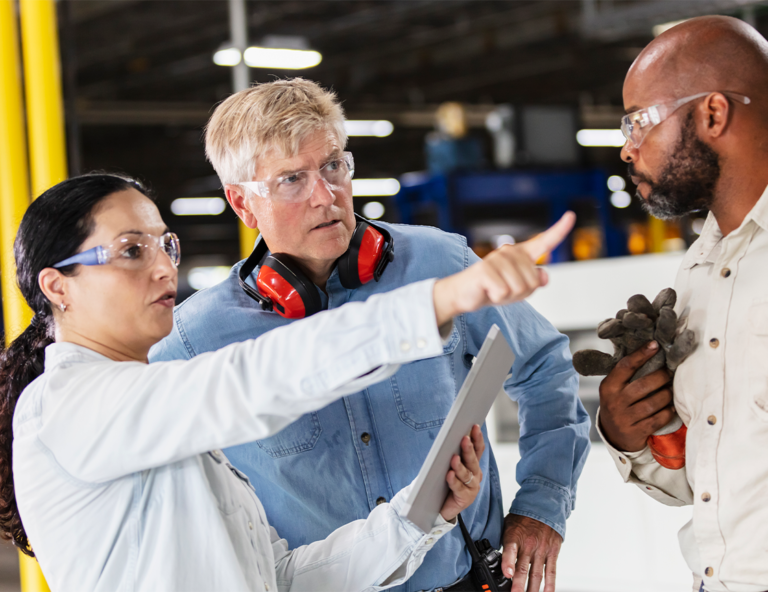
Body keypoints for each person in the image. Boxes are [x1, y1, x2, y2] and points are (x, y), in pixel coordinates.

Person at [2, 174, 573, 591]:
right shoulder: (63, 408)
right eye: (131, 250)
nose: (162, 267)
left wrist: (419, 516)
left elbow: (284, 577)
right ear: (57, 288)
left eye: (165, 244)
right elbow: (246, 381)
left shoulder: (171, 426)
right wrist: (442, 300)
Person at [150, 78, 591, 592]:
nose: (326, 195)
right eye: (292, 179)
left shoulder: (439, 266)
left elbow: (545, 368)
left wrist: (542, 506)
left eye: (333, 166)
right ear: (244, 205)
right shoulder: (195, 341)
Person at [595, 15, 768, 592]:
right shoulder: (697, 272)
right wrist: (636, 430)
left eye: (639, 122)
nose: (627, 148)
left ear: (712, 114)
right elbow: (705, 484)